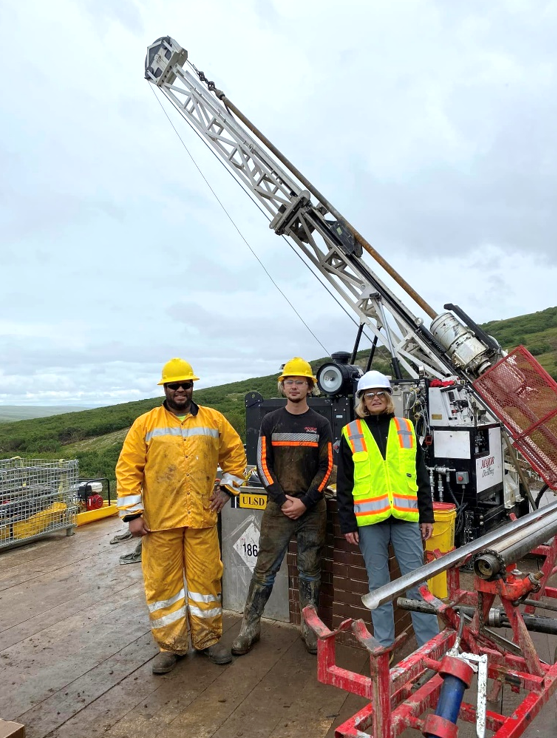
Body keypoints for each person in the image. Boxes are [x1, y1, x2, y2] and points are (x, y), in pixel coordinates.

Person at [116, 358, 247, 675]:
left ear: (192, 387)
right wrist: (133, 515)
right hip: (159, 525)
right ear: (165, 387)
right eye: (174, 385)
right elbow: (127, 468)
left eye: (185, 384)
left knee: (205, 583)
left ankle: (207, 641)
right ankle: (170, 646)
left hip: (201, 520)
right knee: (163, 588)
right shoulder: (146, 424)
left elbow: (236, 455)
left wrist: (227, 490)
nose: (180, 390)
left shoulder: (214, 420)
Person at [232, 357, 333, 656]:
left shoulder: (321, 424)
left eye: (299, 381)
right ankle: (249, 627)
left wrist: (305, 502)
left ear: (309, 387)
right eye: (289, 381)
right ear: (283, 385)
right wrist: (281, 499)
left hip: (312, 510)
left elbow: (327, 467)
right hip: (279, 508)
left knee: (310, 571)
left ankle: (310, 628)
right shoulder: (270, 421)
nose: (293, 385)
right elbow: (262, 464)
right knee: (264, 570)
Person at [336, 370, 439, 652]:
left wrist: (426, 514)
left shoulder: (406, 427)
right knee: (379, 587)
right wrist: (348, 524)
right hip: (370, 522)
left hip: (406, 518)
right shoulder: (350, 433)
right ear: (362, 401)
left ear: (388, 397)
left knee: (416, 583)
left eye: (381, 393)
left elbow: (421, 475)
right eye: (370, 395)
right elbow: (344, 483)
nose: (376, 398)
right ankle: (383, 646)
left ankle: (429, 646)